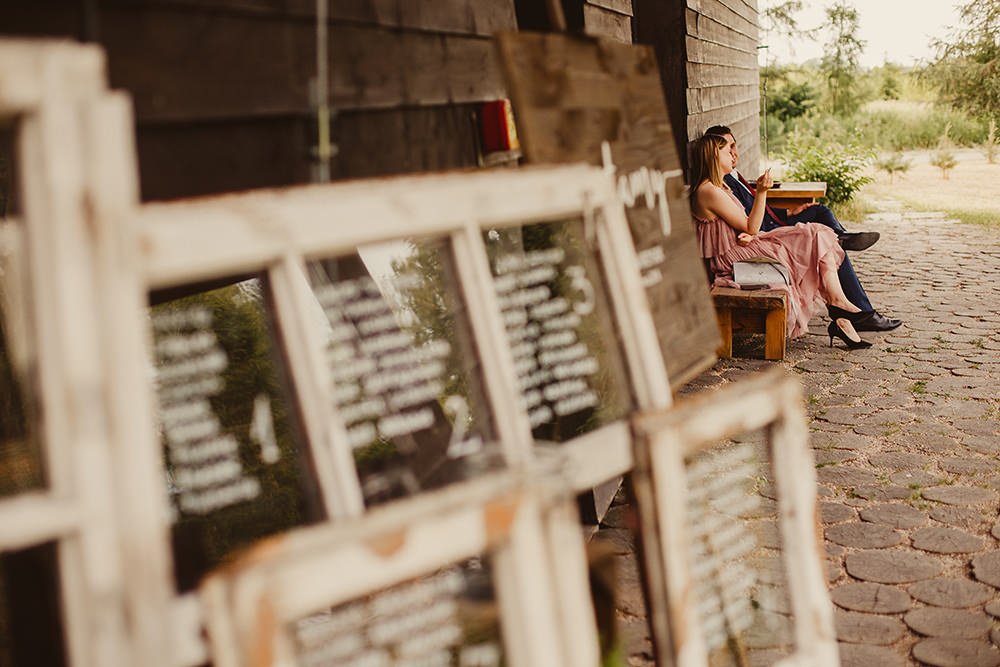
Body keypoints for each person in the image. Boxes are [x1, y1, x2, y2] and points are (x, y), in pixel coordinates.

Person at [704, 125, 901, 333]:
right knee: (821, 239)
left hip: (761, 228)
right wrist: (762, 195)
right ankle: (854, 307)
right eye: (729, 148)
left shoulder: (728, 180)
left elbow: (742, 215)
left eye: (735, 146)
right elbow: (747, 221)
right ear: (714, 152)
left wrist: (786, 212)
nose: (735, 153)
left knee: (819, 213)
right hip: (759, 234)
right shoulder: (717, 186)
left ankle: (841, 245)